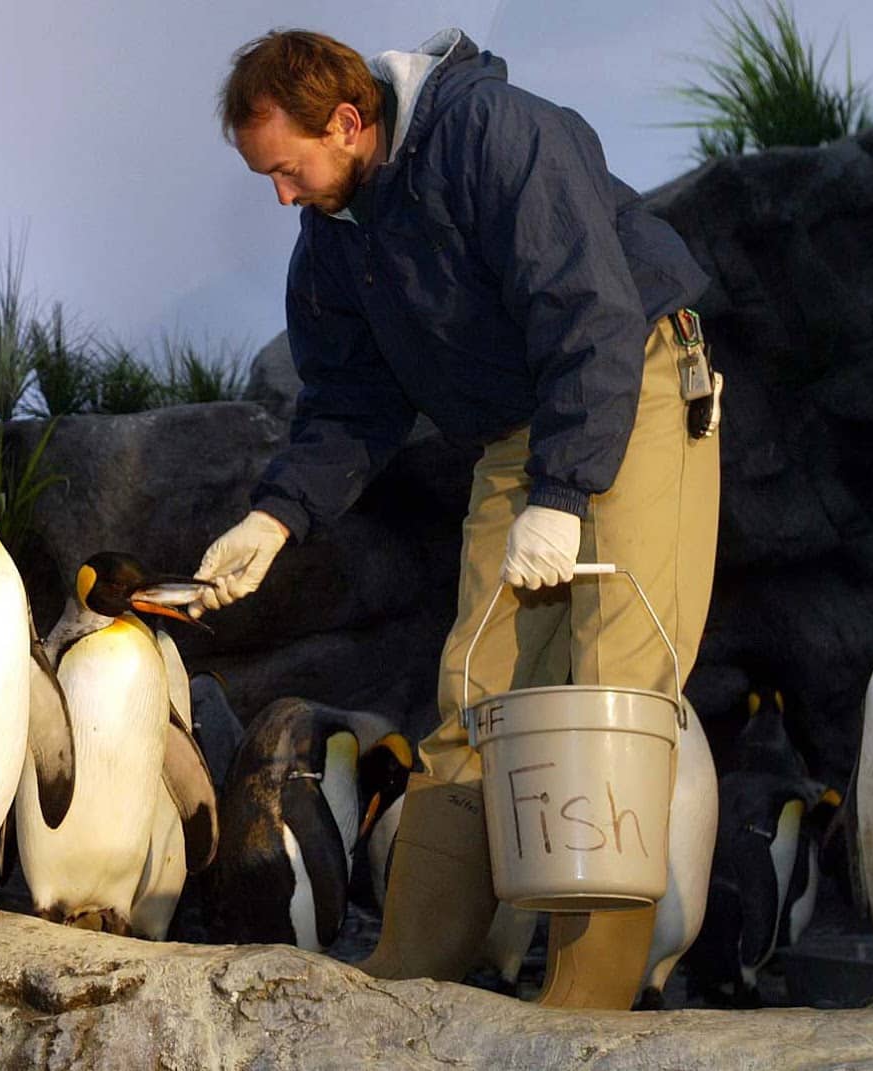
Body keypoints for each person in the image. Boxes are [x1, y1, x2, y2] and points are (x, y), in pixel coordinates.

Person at [193, 27, 721, 1009]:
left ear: (347, 122)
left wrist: (560, 498)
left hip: (634, 378)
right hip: (519, 427)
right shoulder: (334, 236)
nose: (281, 195)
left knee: (612, 693)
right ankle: (413, 975)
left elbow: (590, 317)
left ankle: (585, 1004)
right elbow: (349, 403)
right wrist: (274, 518)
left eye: (287, 168)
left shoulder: (493, 133)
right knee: (477, 688)